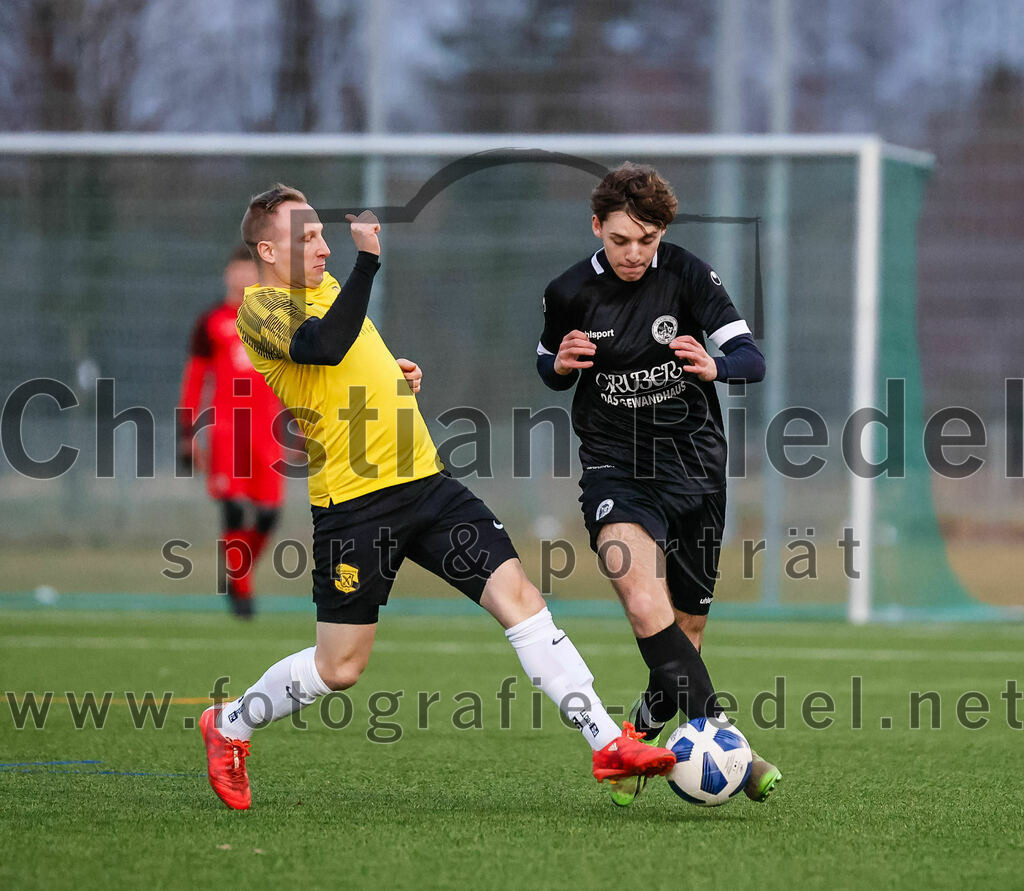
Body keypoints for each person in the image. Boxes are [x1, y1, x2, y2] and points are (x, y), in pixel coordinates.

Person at [198, 183, 676, 810]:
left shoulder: (324, 291)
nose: (322, 246)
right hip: (355, 507)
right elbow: (322, 346)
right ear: (266, 248)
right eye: (306, 237)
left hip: (427, 485)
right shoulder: (258, 308)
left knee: (521, 600)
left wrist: (392, 376)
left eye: (320, 234)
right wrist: (369, 262)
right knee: (339, 668)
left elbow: (340, 365)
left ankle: (607, 742)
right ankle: (231, 723)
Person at [536, 162, 781, 806]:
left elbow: (751, 359)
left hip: (696, 466)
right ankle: (730, 744)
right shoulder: (568, 291)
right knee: (643, 601)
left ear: (663, 232)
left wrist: (715, 364)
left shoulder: (689, 276)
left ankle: (640, 734)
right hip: (617, 467)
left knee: (686, 632)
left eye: (647, 240)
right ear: (598, 227)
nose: (635, 254)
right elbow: (547, 362)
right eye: (621, 240)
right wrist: (558, 364)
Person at [178, 246, 289, 618]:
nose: (242, 279)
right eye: (237, 271)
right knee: (234, 510)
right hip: (227, 430)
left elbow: (292, 379)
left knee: (270, 513)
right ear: (228, 274)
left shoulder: (274, 322)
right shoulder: (211, 322)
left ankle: (237, 573)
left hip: (267, 432)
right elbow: (195, 379)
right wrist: (187, 432)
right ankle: (242, 592)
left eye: (249, 272)